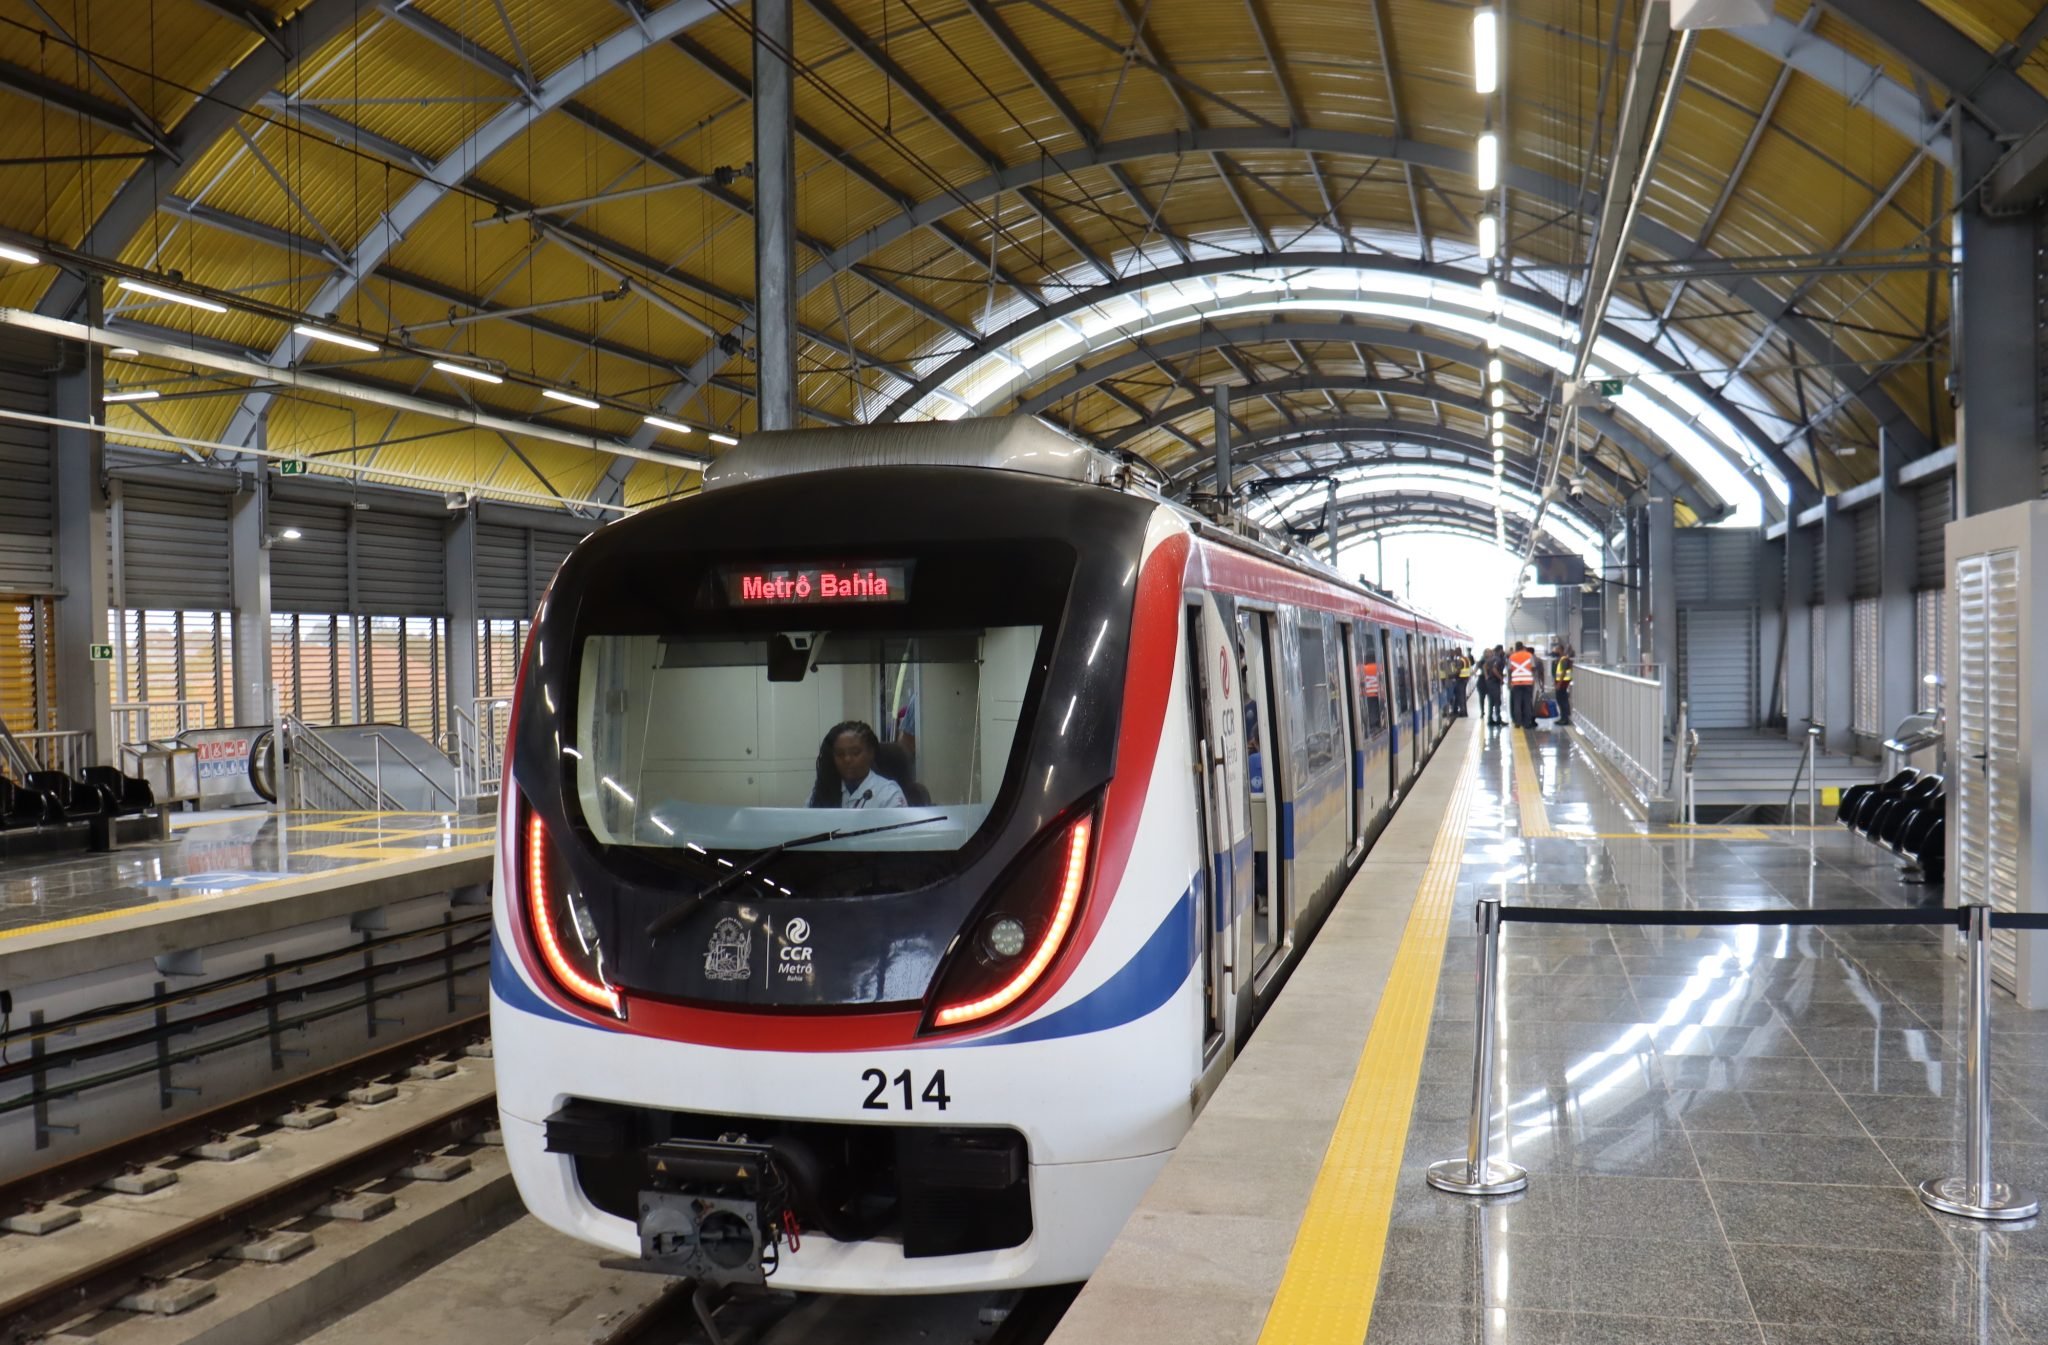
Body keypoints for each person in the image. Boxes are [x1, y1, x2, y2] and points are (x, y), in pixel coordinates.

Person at [807, 721, 907, 809]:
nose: (847, 759)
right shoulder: (823, 790)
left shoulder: (888, 793)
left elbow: (898, 830)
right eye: (840, 754)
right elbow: (808, 824)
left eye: (855, 753)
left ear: (871, 753)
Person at [1507, 642, 1538, 728]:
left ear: (1516, 647)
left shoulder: (1512, 657)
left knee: (1517, 702)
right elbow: (1534, 668)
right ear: (1523, 647)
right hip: (1528, 682)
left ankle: (1518, 722)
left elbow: (1509, 670)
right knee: (1527, 702)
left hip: (1516, 683)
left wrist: (1509, 682)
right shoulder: (1529, 655)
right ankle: (1527, 723)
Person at [1478, 645, 1505, 726]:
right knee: (1497, 701)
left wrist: (1486, 676)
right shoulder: (1496, 659)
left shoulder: (1490, 659)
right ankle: (1498, 719)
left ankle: (1490, 719)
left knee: (1492, 702)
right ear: (1500, 650)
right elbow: (1494, 669)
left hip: (1490, 683)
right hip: (1494, 683)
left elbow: (1484, 666)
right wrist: (1501, 678)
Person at [1551, 643, 1575, 726]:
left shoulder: (1564, 659)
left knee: (1562, 700)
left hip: (1563, 683)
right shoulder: (1560, 659)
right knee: (1561, 700)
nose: (1555, 651)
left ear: (1560, 650)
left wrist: (1559, 684)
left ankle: (1564, 718)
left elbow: (1563, 672)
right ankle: (1563, 717)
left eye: (1556, 649)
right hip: (1561, 683)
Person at [1454, 649, 1474, 718]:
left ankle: (1462, 712)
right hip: (1465, 679)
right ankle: (1464, 711)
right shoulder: (1466, 659)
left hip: (1460, 679)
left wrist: (1452, 675)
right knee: (1463, 696)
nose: (1455, 653)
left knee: (1461, 696)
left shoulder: (1460, 660)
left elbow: (1458, 670)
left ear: (1458, 652)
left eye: (1456, 652)